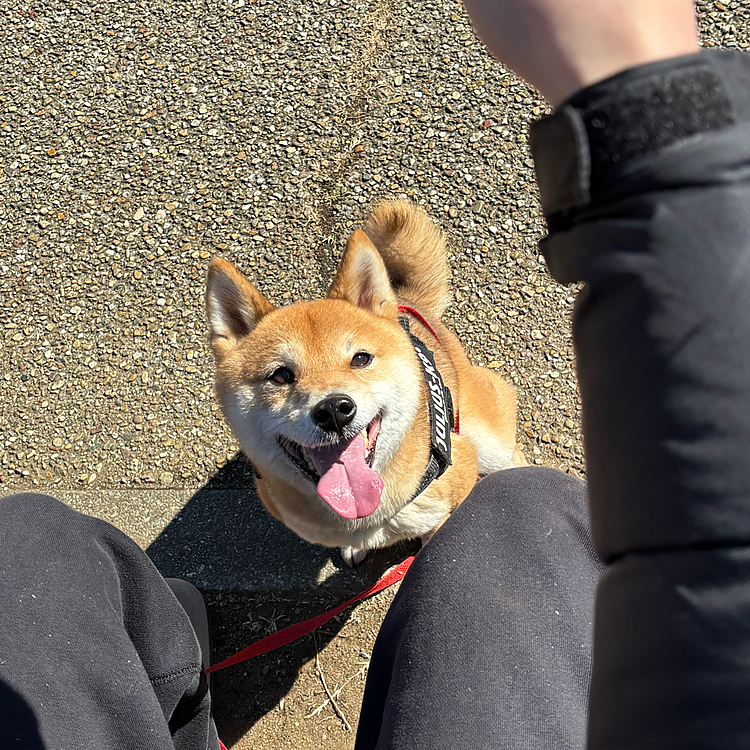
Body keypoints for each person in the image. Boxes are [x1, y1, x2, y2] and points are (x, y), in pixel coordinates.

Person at [3, 0, 749, 747]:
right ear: (230, 348)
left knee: (500, 469)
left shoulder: (399, 382)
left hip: (438, 437)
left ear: (381, 325)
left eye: (360, 361)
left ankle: (175, 654)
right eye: (282, 380)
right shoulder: (278, 473)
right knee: (525, 519)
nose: (328, 397)